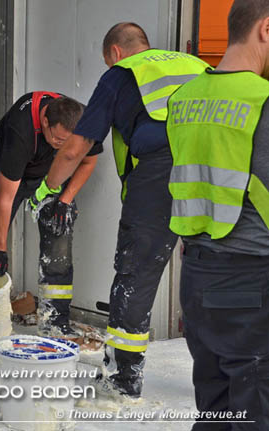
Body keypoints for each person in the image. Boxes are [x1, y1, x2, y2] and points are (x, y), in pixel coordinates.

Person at [29, 23, 209, 398]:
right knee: (213, 270)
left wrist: (46, 189)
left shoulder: (122, 74)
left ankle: (123, 380)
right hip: (216, 172)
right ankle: (222, 376)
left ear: (114, 52)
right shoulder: (197, 65)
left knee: (136, 271)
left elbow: (76, 148)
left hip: (162, 171)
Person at [166, 1, 269, 428]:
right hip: (252, 282)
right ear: (266, 29)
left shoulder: (184, 98)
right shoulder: (260, 101)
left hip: (198, 278)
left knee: (217, 404)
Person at [0, 92, 99, 337]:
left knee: (60, 232)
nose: (62, 145)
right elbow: (5, 198)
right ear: (45, 122)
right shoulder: (22, 130)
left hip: (51, 174)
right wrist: (0, 248)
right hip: (6, 173)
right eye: (58, 139)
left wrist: (65, 199)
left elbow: (88, 162)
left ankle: (55, 320)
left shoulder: (86, 121)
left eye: (68, 143)